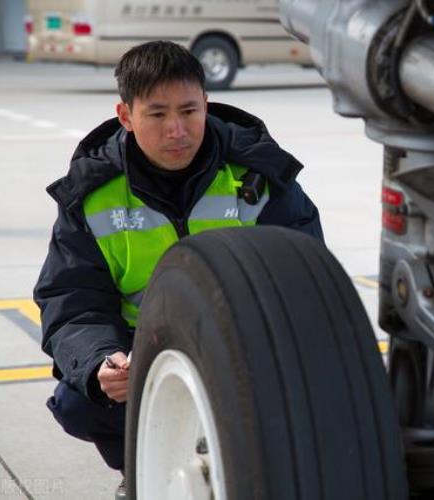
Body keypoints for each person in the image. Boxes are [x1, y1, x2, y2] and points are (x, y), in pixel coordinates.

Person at [33, 41, 323, 499]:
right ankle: (142, 465)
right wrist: (100, 363)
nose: (177, 130)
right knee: (78, 401)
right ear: (126, 116)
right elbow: (71, 301)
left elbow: (306, 282)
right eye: (157, 114)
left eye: (189, 111)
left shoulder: (261, 178)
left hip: (243, 347)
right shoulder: (91, 197)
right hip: (140, 352)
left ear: (207, 104)